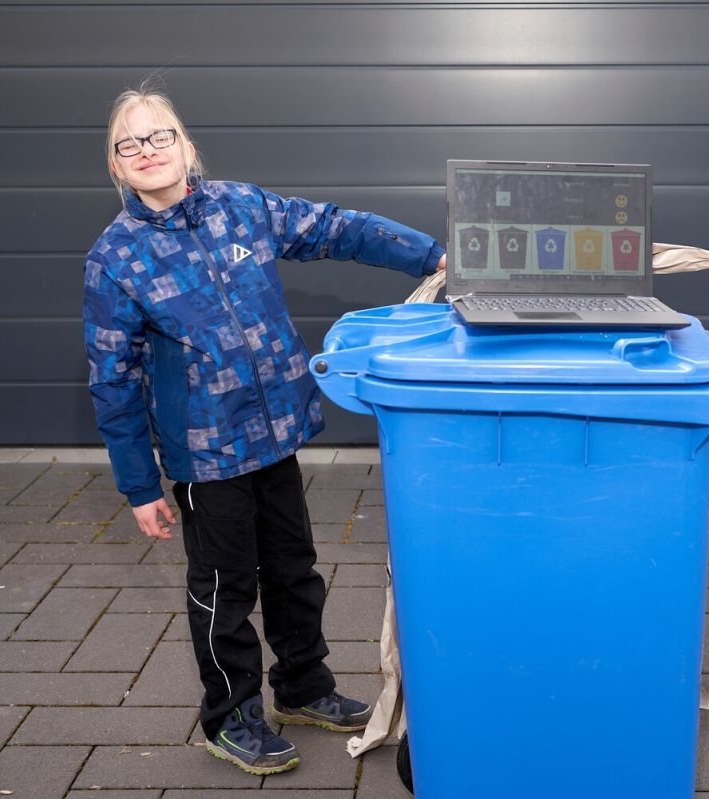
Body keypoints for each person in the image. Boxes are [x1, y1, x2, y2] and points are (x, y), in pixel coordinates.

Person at [83, 86, 446, 775]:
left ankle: (304, 687)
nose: (147, 151)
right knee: (224, 588)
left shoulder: (242, 206)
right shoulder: (115, 257)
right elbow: (113, 377)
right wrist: (138, 485)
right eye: (129, 144)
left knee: (292, 570)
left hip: (276, 432)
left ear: (186, 145)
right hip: (206, 454)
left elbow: (337, 227)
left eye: (159, 136)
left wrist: (429, 256)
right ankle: (230, 714)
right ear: (116, 166)